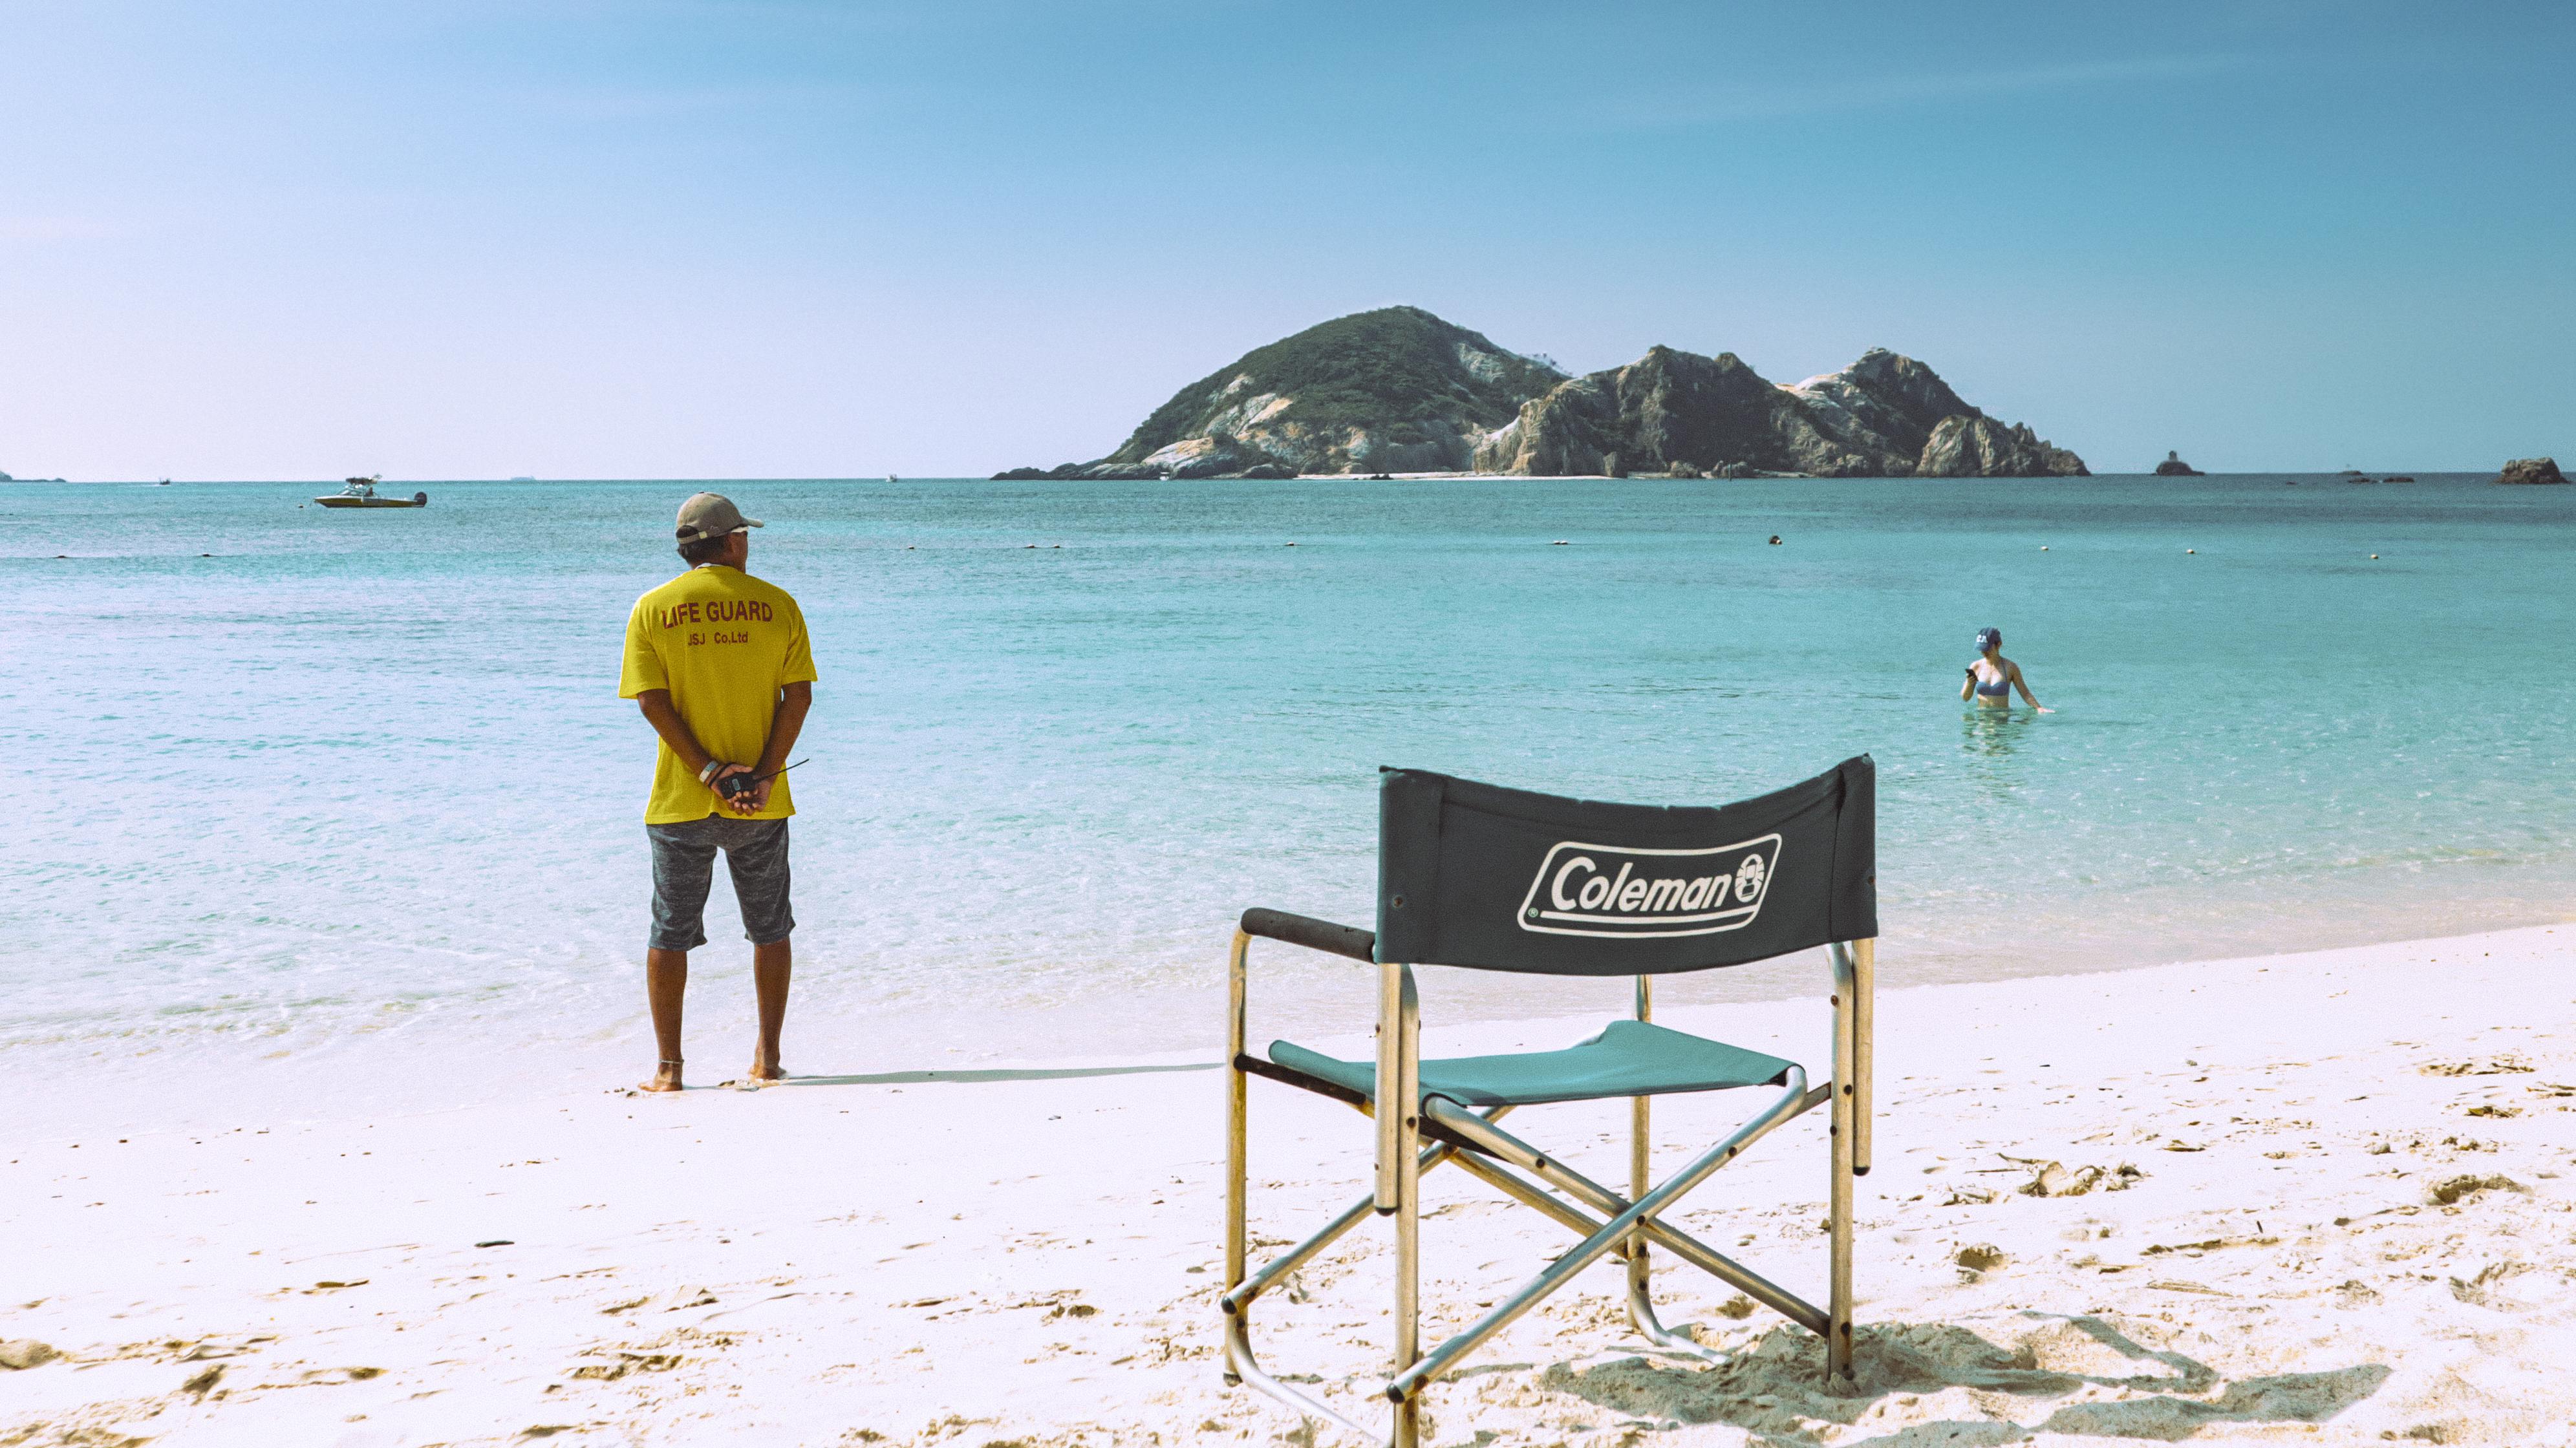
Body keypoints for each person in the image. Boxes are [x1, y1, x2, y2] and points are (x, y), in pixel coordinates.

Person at [617, 493, 817, 1092]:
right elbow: (798, 697)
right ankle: (768, 1059)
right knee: (770, 929)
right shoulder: (779, 605)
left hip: (682, 800)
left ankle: (669, 1070)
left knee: (669, 934)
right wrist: (757, 775)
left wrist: (709, 774)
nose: (748, 546)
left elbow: (652, 702)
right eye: (745, 537)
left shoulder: (652, 609)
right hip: (760, 802)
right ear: (731, 542)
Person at [1961, 626, 2050, 712]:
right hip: (1982, 720)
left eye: (1987, 649)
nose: (1984, 652)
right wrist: (1969, 684)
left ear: (1999, 645)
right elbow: (1965, 698)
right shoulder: (1976, 666)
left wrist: (2039, 708)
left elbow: (2025, 693)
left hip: (2002, 721)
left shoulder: (2010, 667)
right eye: (1982, 649)